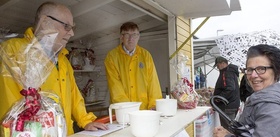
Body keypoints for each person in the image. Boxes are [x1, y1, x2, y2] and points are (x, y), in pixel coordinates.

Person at [0, 2, 107, 135]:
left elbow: (74, 95)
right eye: (66, 26)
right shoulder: (13, 51)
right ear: (45, 22)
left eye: (72, 27)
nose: (72, 33)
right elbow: (9, 102)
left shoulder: (63, 59)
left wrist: (86, 120)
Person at [214, 44, 280, 137]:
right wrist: (230, 133)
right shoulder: (261, 99)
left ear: (277, 71)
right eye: (249, 69)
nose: (253, 75)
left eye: (261, 69)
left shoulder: (276, 109)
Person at [104, 22, 162, 110]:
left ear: (138, 37)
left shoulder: (146, 55)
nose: (131, 39)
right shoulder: (112, 57)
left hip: (144, 109)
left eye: (134, 34)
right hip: (122, 111)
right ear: (121, 37)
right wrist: (128, 108)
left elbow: (153, 82)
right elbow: (115, 86)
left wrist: (153, 104)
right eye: (127, 35)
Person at [213, 56, 240, 129]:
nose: (217, 68)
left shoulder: (226, 72)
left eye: (218, 65)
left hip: (227, 106)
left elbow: (230, 88)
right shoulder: (230, 71)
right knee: (230, 127)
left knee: (227, 129)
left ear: (223, 63)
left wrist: (219, 98)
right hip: (232, 104)